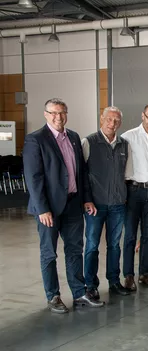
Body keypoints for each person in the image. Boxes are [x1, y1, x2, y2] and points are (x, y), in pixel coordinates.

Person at [23, 98, 104, 313]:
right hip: (48, 208)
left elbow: (81, 172)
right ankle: (53, 296)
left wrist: (86, 198)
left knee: (75, 250)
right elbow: (34, 177)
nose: (58, 117)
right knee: (49, 253)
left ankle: (79, 293)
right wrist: (42, 208)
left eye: (62, 112)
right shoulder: (36, 140)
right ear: (46, 114)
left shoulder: (74, 137)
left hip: (73, 204)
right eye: (54, 113)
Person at [82, 106, 130, 298]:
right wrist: (87, 200)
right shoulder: (89, 142)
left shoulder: (124, 145)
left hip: (118, 204)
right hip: (95, 205)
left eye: (116, 120)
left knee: (114, 245)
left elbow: (126, 174)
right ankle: (90, 285)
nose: (112, 123)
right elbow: (81, 175)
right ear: (102, 119)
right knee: (92, 245)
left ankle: (114, 281)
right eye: (109, 119)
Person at [122, 103, 148, 291]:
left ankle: (145, 273)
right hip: (133, 190)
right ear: (142, 116)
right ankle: (129, 275)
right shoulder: (128, 137)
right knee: (130, 235)